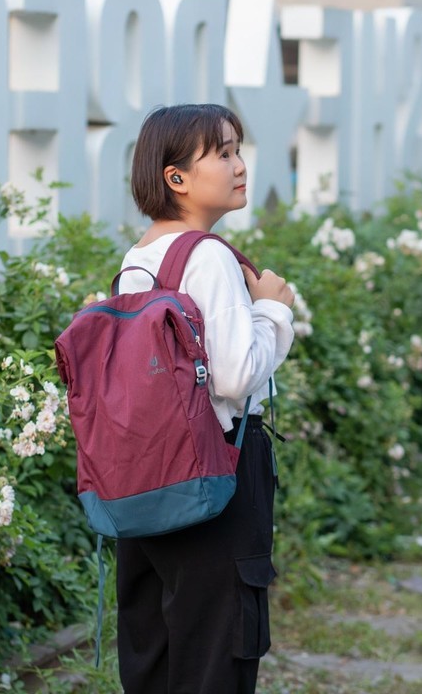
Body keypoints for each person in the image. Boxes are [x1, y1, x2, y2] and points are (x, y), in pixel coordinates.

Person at [113, 103, 296, 693]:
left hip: (145, 483)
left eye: (237, 149)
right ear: (177, 178)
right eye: (222, 153)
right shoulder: (208, 257)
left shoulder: (138, 259)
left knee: (157, 656)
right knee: (218, 656)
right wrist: (273, 309)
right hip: (216, 475)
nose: (239, 165)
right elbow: (236, 376)